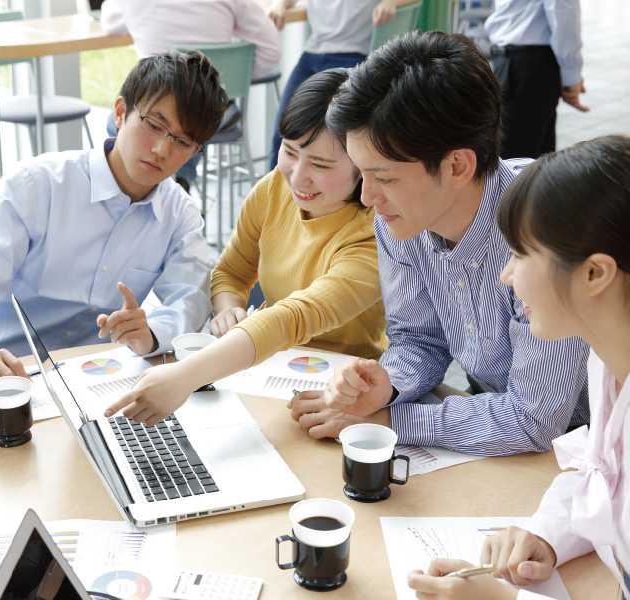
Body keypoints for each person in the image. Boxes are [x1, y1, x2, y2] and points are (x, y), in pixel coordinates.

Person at [296, 31, 590, 455]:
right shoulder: (400, 219)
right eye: (363, 174)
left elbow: (533, 420)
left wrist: (391, 420)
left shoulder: (547, 229)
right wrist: (386, 388)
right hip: (507, 439)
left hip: (595, 449)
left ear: (457, 165)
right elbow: (419, 339)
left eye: (385, 177)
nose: (368, 197)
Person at [407, 135, 630, 600]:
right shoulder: (605, 361)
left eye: (521, 255)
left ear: (595, 274)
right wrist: (546, 533)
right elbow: (600, 470)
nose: (507, 275)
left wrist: (505, 599)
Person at [103, 68, 387, 426]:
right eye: (290, 151)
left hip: (343, 388)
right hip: (265, 369)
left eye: (320, 164)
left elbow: (295, 317)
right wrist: (228, 307)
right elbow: (231, 271)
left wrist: (186, 375)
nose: (298, 177)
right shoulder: (273, 190)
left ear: (362, 167)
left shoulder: (376, 231)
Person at [0, 50, 227, 391]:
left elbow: (188, 303)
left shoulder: (180, 217)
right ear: (121, 113)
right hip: (3, 376)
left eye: (182, 141)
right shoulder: (37, 186)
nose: (162, 149)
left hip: (96, 383)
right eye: (154, 125)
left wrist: (149, 335)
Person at [100, 0, 281, 192]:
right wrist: (230, 83)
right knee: (186, 124)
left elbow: (110, 23)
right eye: (153, 125)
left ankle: (139, 190)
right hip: (217, 111)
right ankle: (180, 182)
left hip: (182, 105)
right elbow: (272, 51)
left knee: (124, 122)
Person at [266, 0, 417, 171]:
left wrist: (391, 2)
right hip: (312, 54)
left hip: (352, 56)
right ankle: (275, 193)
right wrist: (279, 4)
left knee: (339, 142)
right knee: (283, 132)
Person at [486, 0, 588, 160]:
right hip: (531, 67)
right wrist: (571, 79)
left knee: (518, 158)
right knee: (524, 162)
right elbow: (564, 20)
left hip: (511, 61)